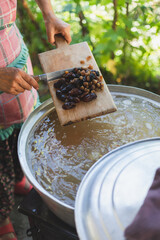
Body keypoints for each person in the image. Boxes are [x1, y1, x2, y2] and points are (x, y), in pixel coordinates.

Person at [0, 0, 71, 239]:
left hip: (14, 59)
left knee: (20, 137)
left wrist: (48, 13)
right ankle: (2, 218)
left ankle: (18, 179)